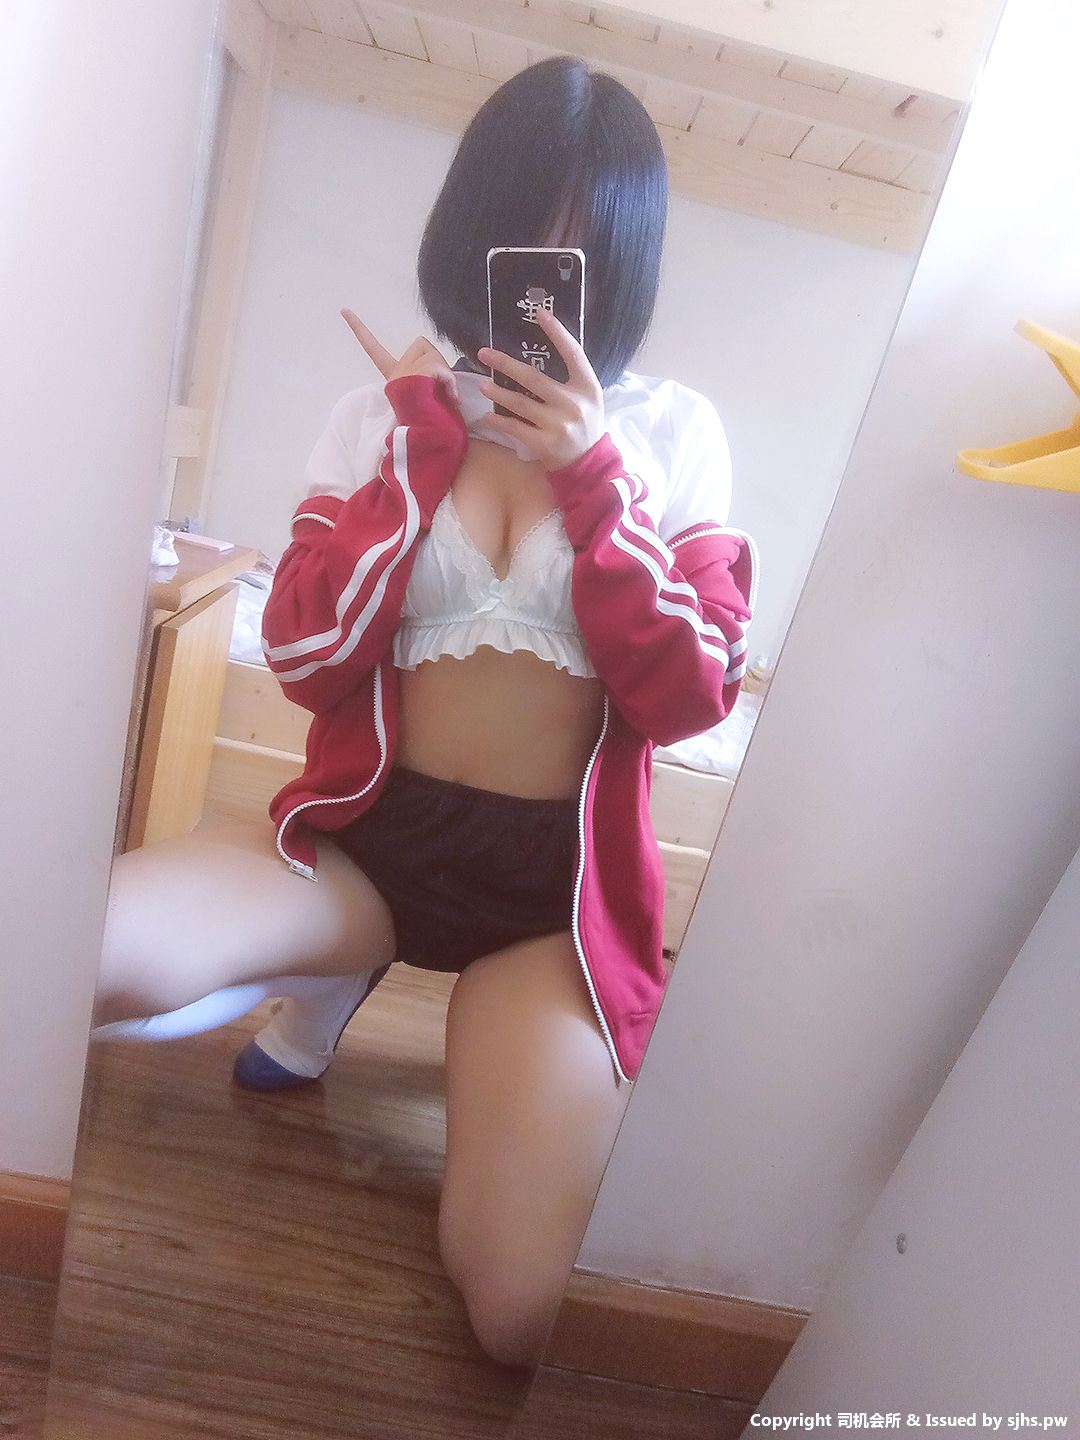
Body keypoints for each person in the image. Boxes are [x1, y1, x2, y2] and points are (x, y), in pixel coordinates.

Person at [88, 55, 758, 1369]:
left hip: (548, 906)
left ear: (625, 266)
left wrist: (594, 478)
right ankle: (330, 971)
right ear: (468, 241)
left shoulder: (675, 434)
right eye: (522, 244)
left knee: (519, 1311)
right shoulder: (380, 413)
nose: (546, 291)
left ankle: (328, 1001)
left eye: (582, 257)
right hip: (364, 844)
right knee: (64, 951)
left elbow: (690, 694)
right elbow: (305, 655)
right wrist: (415, 445)